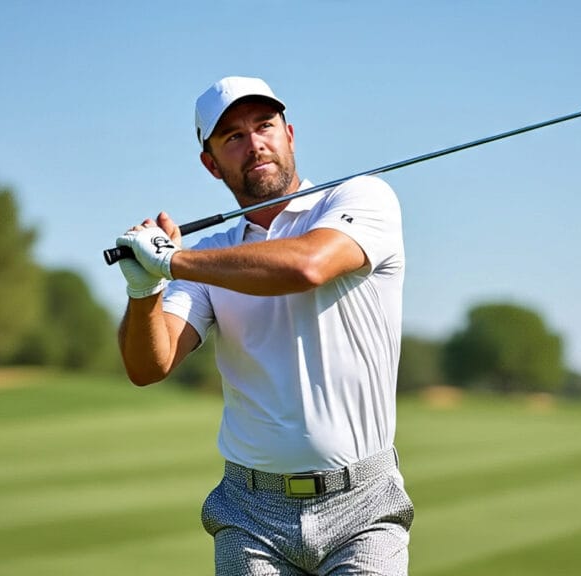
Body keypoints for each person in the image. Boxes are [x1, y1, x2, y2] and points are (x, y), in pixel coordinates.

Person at [114, 76, 412, 575]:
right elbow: (150, 365)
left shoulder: (362, 198)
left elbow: (307, 266)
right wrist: (144, 288)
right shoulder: (207, 258)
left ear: (289, 135)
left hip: (364, 506)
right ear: (212, 164)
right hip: (251, 515)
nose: (254, 143)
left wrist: (172, 261)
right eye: (232, 136)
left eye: (264, 126)